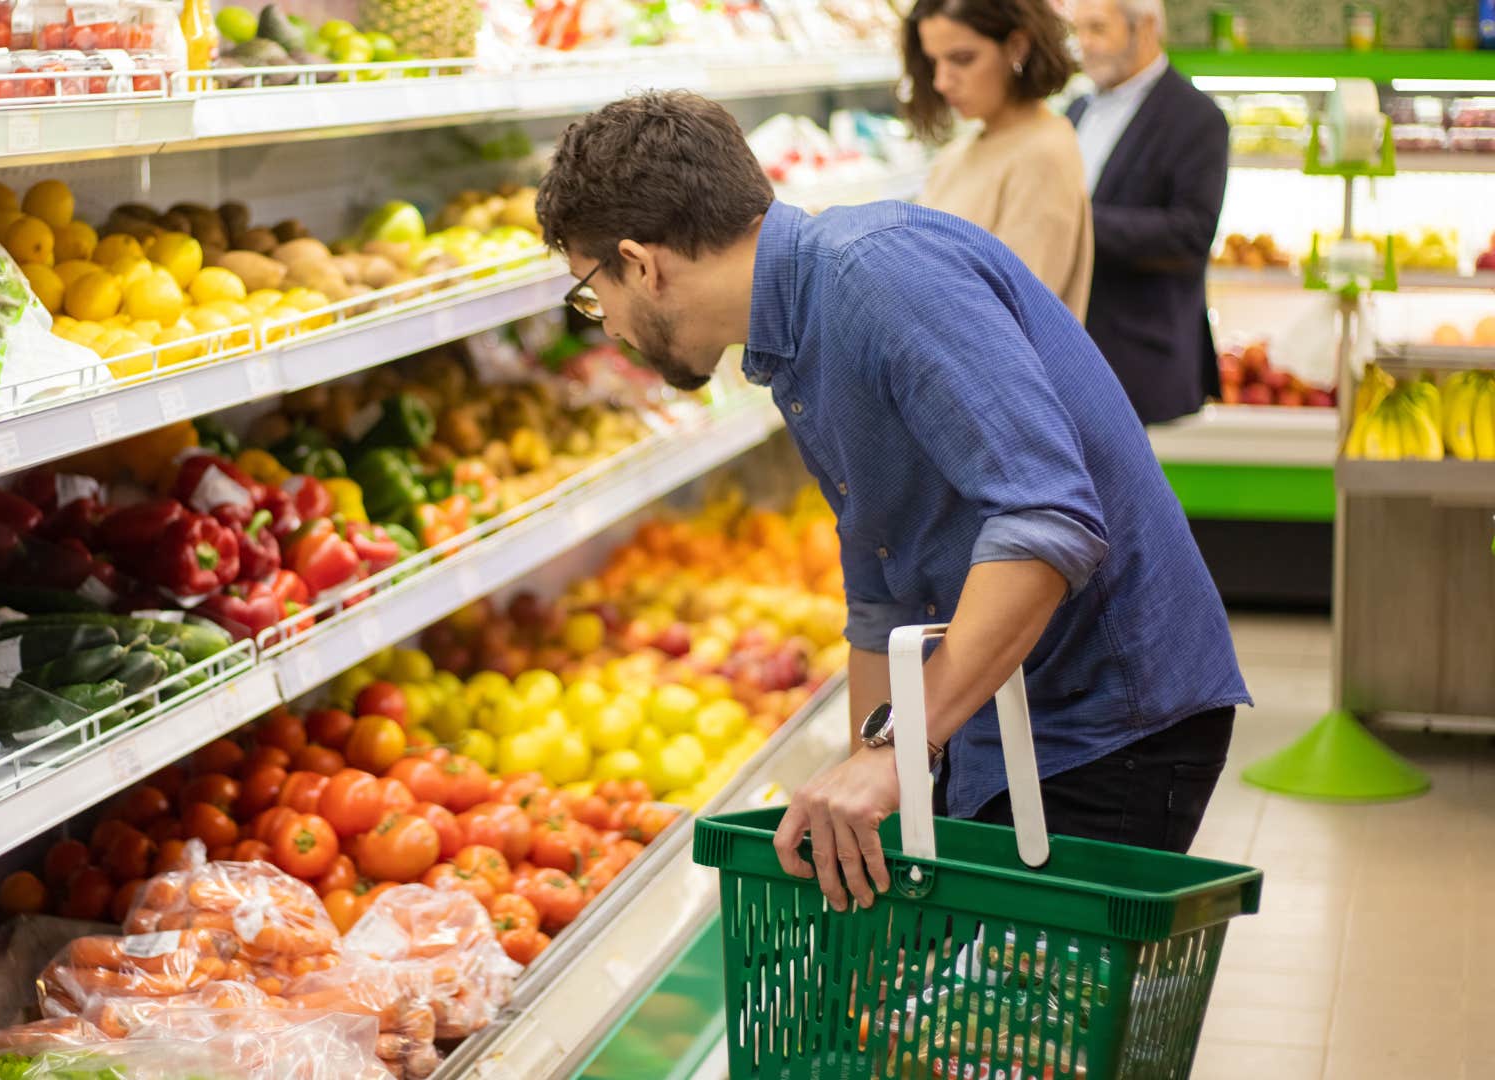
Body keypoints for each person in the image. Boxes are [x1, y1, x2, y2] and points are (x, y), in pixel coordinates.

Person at [534, 92, 1248, 913]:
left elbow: (1048, 521)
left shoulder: (877, 277)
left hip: (1105, 720)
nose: (608, 326)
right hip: (1003, 711)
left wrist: (901, 753)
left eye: (593, 294)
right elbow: (883, 595)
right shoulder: (792, 337)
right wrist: (862, 785)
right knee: (964, 1026)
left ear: (641, 262)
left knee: (1027, 1032)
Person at [1068, 0, 1230, 423]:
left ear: (1146, 28)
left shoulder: (1197, 118)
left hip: (1142, 365)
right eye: (1078, 30)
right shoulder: (1077, 110)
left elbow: (1191, 234)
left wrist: (1073, 223)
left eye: (1098, 29)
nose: (1084, 44)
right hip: (1073, 358)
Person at [906, 0, 1093, 319]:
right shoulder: (960, 152)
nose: (941, 81)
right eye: (933, 61)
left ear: (1017, 47)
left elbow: (1012, 312)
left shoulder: (1043, 154)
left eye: (962, 59)